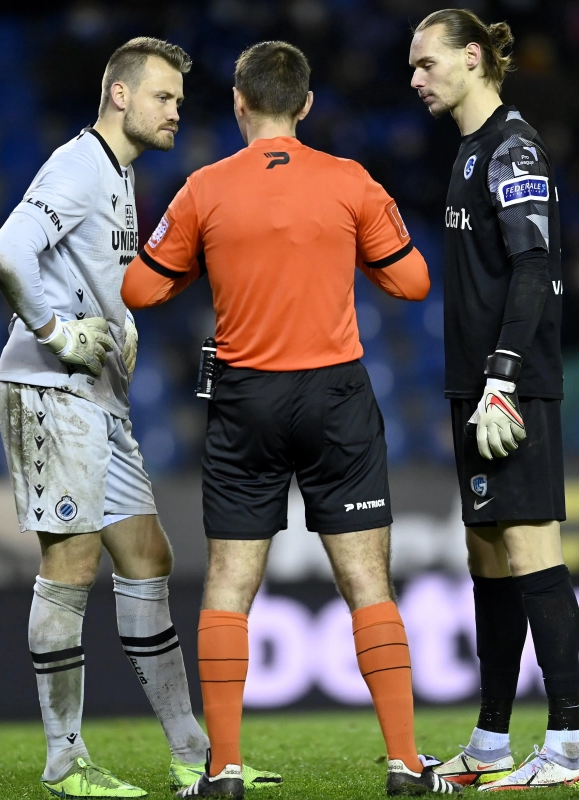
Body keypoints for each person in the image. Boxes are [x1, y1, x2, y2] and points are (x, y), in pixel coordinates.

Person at [123, 41, 456, 799]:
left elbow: (141, 291)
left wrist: (207, 257)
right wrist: (349, 249)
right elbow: (412, 281)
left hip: (247, 400)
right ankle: (406, 765)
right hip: (335, 394)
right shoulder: (349, 182)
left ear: (238, 104)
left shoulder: (202, 189)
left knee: (231, 584)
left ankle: (225, 771)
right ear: (305, 106)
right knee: (367, 580)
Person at [0, 37, 279, 799]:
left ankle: (194, 752)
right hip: (50, 390)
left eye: (178, 99)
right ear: (121, 96)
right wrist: (55, 331)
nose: (176, 110)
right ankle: (64, 761)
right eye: (164, 97)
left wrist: (120, 324)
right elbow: (6, 251)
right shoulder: (79, 166)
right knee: (72, 564)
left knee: (148, 556)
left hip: (98, 398)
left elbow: (98, 275)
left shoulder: (119, 176)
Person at [407, 9, 579, 791]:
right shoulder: (468, 152)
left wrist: (504, 376)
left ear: (473, 58)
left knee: (530, 551)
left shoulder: (512, 147)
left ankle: (568, 743)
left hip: (507, 386)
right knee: (488, 556)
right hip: (474, 383)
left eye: (426, 63)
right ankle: (490, 740)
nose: (415, 78)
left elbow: (533, 266)